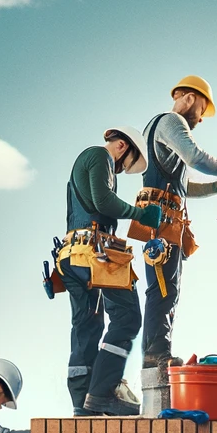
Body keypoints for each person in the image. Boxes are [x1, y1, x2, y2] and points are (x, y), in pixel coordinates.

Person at [139, 75, 217, 369]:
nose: (201, 119)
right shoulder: (170, 122)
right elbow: (195, 157)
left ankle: (155, 352)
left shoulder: (158, 132)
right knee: (164, 289)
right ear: (188, 97)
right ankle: (156, 354)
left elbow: (185, 188)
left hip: (164, 219)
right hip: (163, 222)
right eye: (203, 109)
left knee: (165, 288)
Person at [60, 127, 164, 416]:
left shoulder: (86, 161)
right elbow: (102, 201)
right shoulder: (100, 156)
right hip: (98, 254)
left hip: (73, 254)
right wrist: (141, 213)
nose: (119, 169)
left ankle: (83, 402)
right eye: (123, 165)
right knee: (128, 318)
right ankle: (103, 392)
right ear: (121, 146)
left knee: (86, 324)